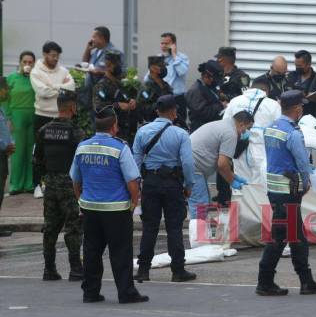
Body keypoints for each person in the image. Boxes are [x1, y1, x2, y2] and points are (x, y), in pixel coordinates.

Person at [70, 106, 148, 304]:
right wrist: (133, 203)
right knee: (120, 252)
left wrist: (81, 199)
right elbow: (132, 181)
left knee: (91, 250)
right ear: (114, 126)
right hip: (116, 209)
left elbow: (75, 179)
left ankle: (90, 292)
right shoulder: (120, 148)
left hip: (90, 208)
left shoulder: (83, 147)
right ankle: (126, 292)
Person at [257, 90, 316, 296]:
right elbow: (302, 161)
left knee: (296, 236)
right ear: (296, 109)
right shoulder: (293, 133)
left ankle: (306, 280)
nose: (302, 109)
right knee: (280, 236)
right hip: (289, 190)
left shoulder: (270, 129)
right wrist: (306, 182)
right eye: (301, 106)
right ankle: (265, 281)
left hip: (275, 190)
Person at [133, 95, 196, 283]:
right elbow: (187, 163)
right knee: (174, 228)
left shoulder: (142, 132)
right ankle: (178, 271)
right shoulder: (181, 134)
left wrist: (137, 186)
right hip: (172, 184)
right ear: (174, 112)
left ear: (157, 111)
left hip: (150, 183)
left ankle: (143, 270)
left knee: (149, 227)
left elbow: (135, 161)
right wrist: (189, 185)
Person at [33, 90, 84, 281]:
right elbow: (82, 161)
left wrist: (42, 181)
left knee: (50, 227)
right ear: (72, 107)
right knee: (73, 227)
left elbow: (37, 160)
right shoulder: (76, 132)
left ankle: (49, 269)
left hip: (50, 184)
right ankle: (76, 269)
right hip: (70, 185)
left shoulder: (44, 130)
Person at [188, 110, 254, 236]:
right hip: (194, 168)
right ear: (241, 124)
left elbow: (222, 164)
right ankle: (198, 241)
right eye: (247, 128)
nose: (245, 133)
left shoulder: (222, 125)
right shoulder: (230, 133)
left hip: (193, 166)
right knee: (200, 204)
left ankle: (201, 236)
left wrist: (234, 176)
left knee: (203, 202)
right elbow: (222, 164)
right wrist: (232, 182)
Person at [30, 41, 76, 196]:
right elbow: (42, 92)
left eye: (57, 56)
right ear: (45, 54)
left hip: (59, 116)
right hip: (42, 115)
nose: (55, 58)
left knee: (62, 150)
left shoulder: (63, 70)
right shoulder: (36, 71)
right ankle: (37, 184)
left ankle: (63, 182)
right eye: (52, 55)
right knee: (39, 151)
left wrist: (52, 87)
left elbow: (72, 87)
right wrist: (60, 87)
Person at [223, 79, 281, 186]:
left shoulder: (235, 101)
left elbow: (225, 125)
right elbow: (278, 130)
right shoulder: (273, 105)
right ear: (265, 91)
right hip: (263, 149)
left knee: (241, 184)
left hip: (239, 149)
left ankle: (241, 203)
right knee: (261, 186)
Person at [6, 51, 36, 195]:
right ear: (19, 62)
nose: (27, 65)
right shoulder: (11, 78)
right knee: (17, 151)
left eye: (30, 62)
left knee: (31, 151)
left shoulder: (36, 79)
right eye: (25, 62)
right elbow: (4, 99)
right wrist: (7, 118)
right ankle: (15, 185)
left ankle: (29, 184)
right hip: (16, 116)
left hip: (33, 115)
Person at [93, 50, 137, 145]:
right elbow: (98, 108)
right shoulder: (101, 86)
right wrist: (117, 105)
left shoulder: (120, 84)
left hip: (124, 132)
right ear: (108, 66)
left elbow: (126, 100)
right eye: (116, 65)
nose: (119, 68)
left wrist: (131, 102)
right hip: (109, 133)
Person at [156, 32, 189, 122]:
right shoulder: (157, 58)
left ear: (173, 44)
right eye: (162, 43)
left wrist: (174, 56)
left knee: (179, 125)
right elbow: (147, 79)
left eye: (166, 43)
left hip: (177, 98)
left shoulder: (182, 58)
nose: (163, 46)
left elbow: (182, 72)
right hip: (161, 97)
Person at [186, 60, 226, 132]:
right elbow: (202, 113)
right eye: (214, 80)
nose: (215, 82)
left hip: (212, 128)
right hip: (200, 130)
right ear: (205, 76)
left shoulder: (210, 87)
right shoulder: (195, 91)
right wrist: (221, 105)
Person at [0, 78, 16, 237]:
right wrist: (4, 145)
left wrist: (9, 145)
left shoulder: (2, 109)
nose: (7, 92)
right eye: (5, 89)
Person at [137, 56, 173, 125]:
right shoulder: (145, 87)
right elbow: (141, 108)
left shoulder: (166, 85)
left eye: (164, 66)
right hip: (152, 124)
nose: (164, 69)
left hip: (167, 123)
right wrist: (159, 105)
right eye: (161, 66)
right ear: (152, 68)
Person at [287, 50, 316, 116]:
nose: (297, 68)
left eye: (300, 66)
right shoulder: (291, 76)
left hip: (310, 114)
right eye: (296, 65)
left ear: (309, 64)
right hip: (292, 114)